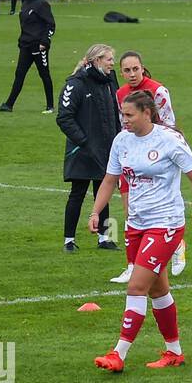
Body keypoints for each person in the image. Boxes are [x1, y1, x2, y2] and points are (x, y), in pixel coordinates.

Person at [89, 90, 192, 372]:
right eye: (123, 115)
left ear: (147, 113)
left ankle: (118, 353)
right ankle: (174, 352)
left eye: (130, 115)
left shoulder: (169, 140)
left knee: (136, 286)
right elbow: (110, 180)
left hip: (166, 223)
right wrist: (96, 211)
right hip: (137, 224)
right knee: (158, 290)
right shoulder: (122, 140)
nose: (125, 120)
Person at [111, 50, 183, 283]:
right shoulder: (120, 93)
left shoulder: (158, 91)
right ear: (121, 72)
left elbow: (170, 123)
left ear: (143, 68)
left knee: (161, 211)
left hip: (156, 159)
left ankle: (176, 243)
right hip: (130, 156)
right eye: (127, 70)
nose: (132, 74)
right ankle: (132, 265)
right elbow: (123, 125)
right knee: (130, 211)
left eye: (135, 69)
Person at [56, 44, 121, 253]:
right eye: (109, 59)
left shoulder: (110, 81)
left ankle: (106, 238)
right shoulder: (76, 83)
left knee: (105, 190)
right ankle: (68, 241)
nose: (113, 63)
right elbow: (64, 118)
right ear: (96, 60)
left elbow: (117, 112)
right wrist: (83, 141)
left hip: (108, 148)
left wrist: (119, 139)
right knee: (78, 193)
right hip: (82, 150)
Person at [0, 0, 55, 114]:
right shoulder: (25, 2)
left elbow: (51, 24)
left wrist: (45, 42)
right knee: (19, 74)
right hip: (26, 46)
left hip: (39, 46)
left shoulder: (41, 4)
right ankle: (9, 105)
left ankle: (50, 106)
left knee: (44, 74)